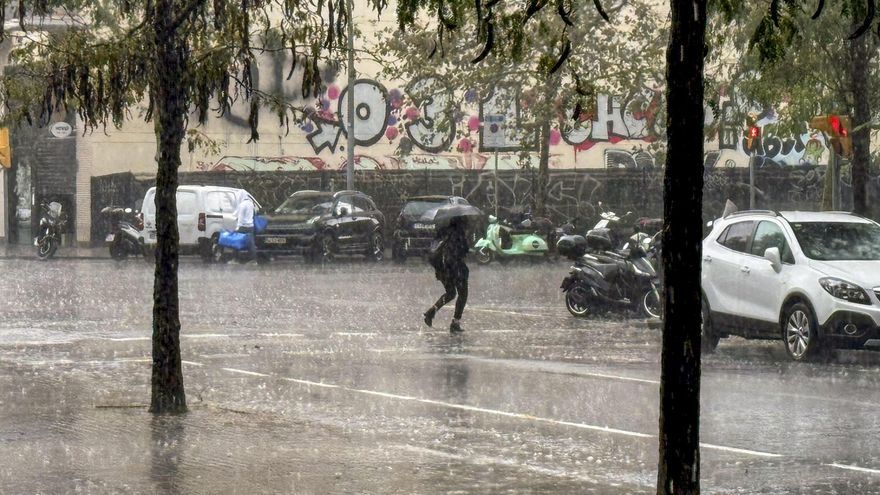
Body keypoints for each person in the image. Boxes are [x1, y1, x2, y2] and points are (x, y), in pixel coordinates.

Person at [423, 216, 470, 333]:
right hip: (455, 269)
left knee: (451, 293)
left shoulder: (443, 232)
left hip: (442, 269)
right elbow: (460, 251)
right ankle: (455, 322)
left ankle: (431, 312)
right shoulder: (458, 234)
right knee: (462, 294)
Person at [235, 190, 257, 263]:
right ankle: (253, 259)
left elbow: (240, 217)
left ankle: (236, 259)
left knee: (237, 242)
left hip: (243, 226)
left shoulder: (242, 205)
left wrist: (237, 227)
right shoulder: (251, 204)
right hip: (250, 226)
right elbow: (254, 213)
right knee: (251, 244)